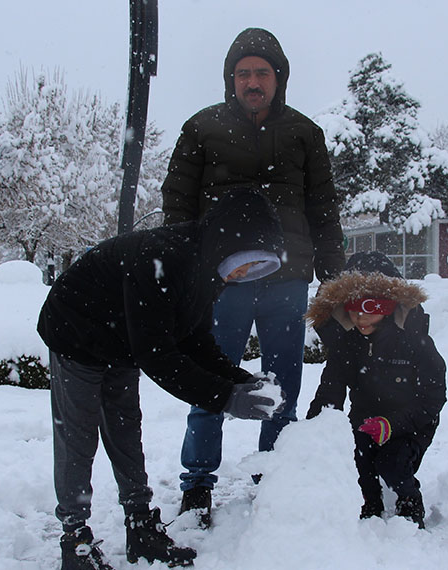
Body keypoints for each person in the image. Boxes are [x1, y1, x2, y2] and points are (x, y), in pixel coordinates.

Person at [37, 189, 287, 570]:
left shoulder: (209, 269)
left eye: (255, 265)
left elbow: (194, 340)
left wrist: (240, 381)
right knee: (78, 436)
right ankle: (76, 540)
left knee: (125, 431)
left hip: (122, 340)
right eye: (246, 261)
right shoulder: (164, 257)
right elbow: (158, 355)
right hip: (76, 329)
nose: (244, 273)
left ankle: (140, 526)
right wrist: (226, 397)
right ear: (228, 242)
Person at [160, 26, 346, 526]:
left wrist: (333, 274)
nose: (252, 82)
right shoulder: (201, 129)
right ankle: (197, 485)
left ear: (278, 77)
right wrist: (183, 266)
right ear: (231, 79)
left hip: (289, 279)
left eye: (262, 72)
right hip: (224, 281)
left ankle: (274, 478)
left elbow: (323, 206)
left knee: (282, 385)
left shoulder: (305, 133)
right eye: (243, 73)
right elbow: (178, 203)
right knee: (209, 380)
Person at [305, 251, 447, 529]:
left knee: (392, 463)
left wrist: (392, 424)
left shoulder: (415, 342)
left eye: (370, 309)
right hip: (364, 420)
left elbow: (433, 398)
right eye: (353, 309)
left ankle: (409, 502)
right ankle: (369, 503)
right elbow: (330, 391)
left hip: (412, 423)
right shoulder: (347, 344)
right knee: (356, 461)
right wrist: (311, 433)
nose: (361, 318)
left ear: (389, 306)